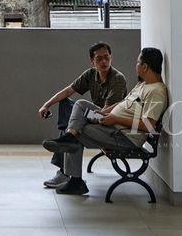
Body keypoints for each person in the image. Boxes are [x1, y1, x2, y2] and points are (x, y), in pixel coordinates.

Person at [42, 47, 168, 195]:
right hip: (113, 127)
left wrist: (115, 118)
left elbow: (148, 125)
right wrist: (104, 113)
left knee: (78, 130)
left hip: (125, 137)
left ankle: (75, 178)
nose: (137, 66)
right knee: (81, 105)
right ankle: (70, 144)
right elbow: (122, 103)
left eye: (138, 62)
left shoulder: (157, 92)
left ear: (145, 66)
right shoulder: (142, 85)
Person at [36, 42, 128, 189]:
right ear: (92, 61)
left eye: (106, 57)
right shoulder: (91, 74)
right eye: (99, 59)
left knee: (77, 112)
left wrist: (84, 119)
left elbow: (107, 112)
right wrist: (47, 104)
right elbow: (68, 90)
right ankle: (69, 144)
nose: (104, 62)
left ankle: (64, 172)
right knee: (66, 107)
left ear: (111, 58)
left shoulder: (117, 79)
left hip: (108, 121)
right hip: (96, 115)